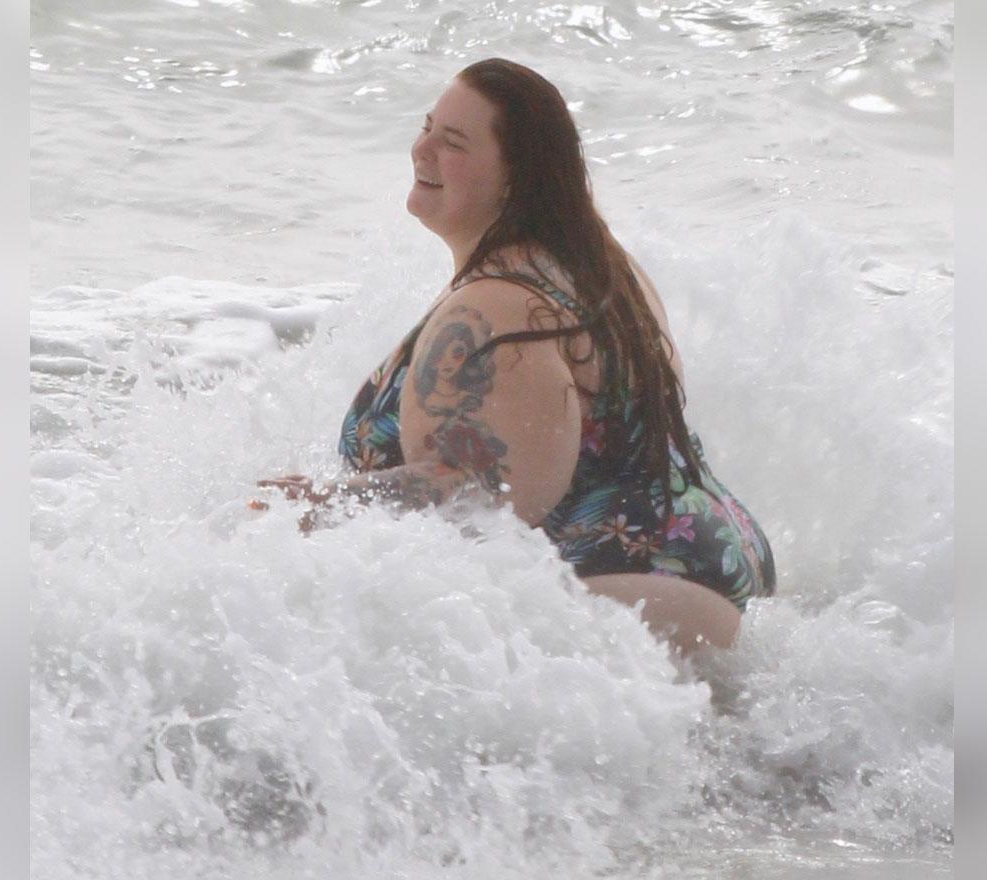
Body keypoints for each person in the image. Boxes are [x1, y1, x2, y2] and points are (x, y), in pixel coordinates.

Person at [254, 58, 776, 655]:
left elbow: (495, 498)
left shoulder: (492, 312)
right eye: (427, 126)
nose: (421, 149)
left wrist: (329, 502)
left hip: (634, 588)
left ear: (516, 178)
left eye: (452, 142)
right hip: (712, 557)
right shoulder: (597, 263)